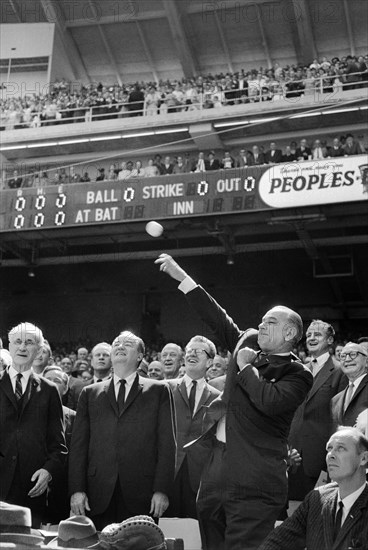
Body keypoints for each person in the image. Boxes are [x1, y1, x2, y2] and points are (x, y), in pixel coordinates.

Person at [155, 254, 313, 550]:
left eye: (271, 322)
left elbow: (269, 401)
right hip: (215, 476)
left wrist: (245, 366)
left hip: (255, 482)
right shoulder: (247, 341)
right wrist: (182, 278)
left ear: (289, 333)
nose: (261, 326)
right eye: (262, 321)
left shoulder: (298, 373)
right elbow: (216, 317)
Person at [69, 330, 176, 530]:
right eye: (116, 343)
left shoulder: (158, 390)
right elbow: (78, 446)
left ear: (140, 356)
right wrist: (77, 490)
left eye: (127, 344)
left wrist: (162, 490)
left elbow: (167, 444)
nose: (119, 346)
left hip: (142, 494)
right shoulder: (89, 393)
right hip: (97, 493)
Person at [0, 323, 66, 527]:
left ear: (38, 349)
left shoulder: (49, 390)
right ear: (9, 347)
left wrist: (48, 471)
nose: (22, 347)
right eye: (17, 342)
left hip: (31, 489)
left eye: (29, 342)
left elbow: (59, 447)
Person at [258, 427, 368, 550]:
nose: (331, 455)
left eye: (341, 448)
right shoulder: (316, 499)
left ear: (363, 458)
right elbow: (277, 541)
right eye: (329, 449)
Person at [289, 319, 348, 499]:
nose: (312, 338)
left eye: (318, 334)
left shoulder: (339, 371)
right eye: (308, 335)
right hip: (291, 455)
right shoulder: (298, 370)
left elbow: (340, 419)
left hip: (320, 456)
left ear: (330, 340)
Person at [165, 335, 221, 519]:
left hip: (200, 478)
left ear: (210, 362)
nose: (192, 354)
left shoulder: (218, 398)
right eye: (189, 350)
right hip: (167, 472)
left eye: (199, 351)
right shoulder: (163, 389)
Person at [42, 365, 76, 523]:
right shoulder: (25, 413)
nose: (52, 384)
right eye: (48, 380)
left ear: (65, 388)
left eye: (57, 381)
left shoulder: (75, 417)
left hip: (61, 490)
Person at [331, 342, 368, 430]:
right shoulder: (335, 400)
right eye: (342, 356)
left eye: (353, 354)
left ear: (366, 361)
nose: (347, 359)